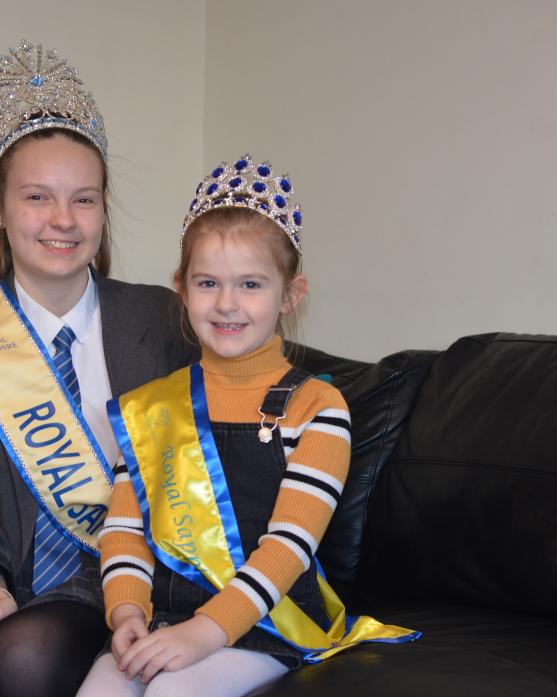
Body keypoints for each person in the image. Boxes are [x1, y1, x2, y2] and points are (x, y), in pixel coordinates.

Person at [0, 40, 194, 697]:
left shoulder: (162, 321)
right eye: (37, 197)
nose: (62, 220)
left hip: (107, 576)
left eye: (83, 199)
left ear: (103, 211)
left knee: (24, 650)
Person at [78, 155, 420, 697]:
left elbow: (288, 547)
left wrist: (204, 633)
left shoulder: (317, 408)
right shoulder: (152, 408)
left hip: (266, 622)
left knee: (173, 693)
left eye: (251, 285)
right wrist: (124, 612)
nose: (227, 303)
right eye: (208, 282)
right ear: (181, 289)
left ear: (290, 294)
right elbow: (125, 531)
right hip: (163, 618)